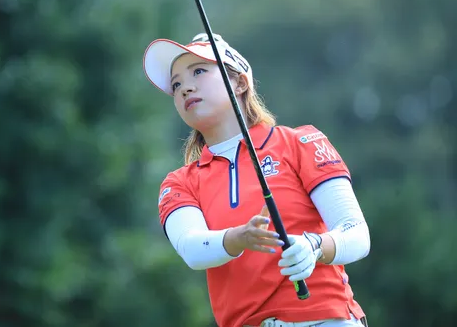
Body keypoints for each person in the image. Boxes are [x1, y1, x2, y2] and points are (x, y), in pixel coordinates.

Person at [143, 32, 371, 327]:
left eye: (199, 71)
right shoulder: (180, 182)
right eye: (176, 84)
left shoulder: (300, 142)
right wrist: (240, 237)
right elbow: (192, 249)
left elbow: (356, 234)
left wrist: (315, 246)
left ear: (239, 82)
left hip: (326, 319)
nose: (185, 88)